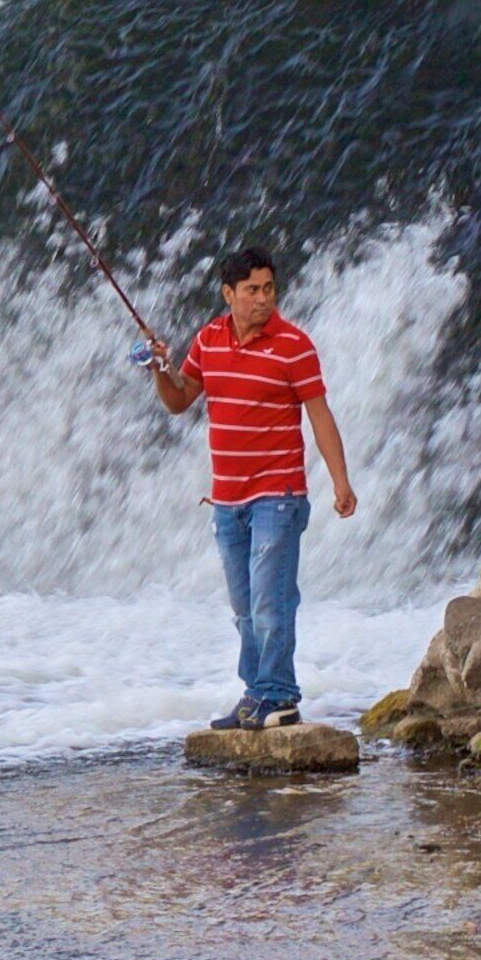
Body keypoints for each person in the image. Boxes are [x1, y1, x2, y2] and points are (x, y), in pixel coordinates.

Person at [145, 246, 357, 730]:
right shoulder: (209, 340)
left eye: (269, 289)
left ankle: (279, 696)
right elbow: (179, 400)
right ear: (229, 294)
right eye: (252, 290)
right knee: (244, 609)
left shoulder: (294, 345)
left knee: (270, 601)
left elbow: (320, 415)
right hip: (226, 500)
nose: (263, 299)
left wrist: (340, 482)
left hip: (278, 496)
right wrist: (158, 367)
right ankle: (256, 693)